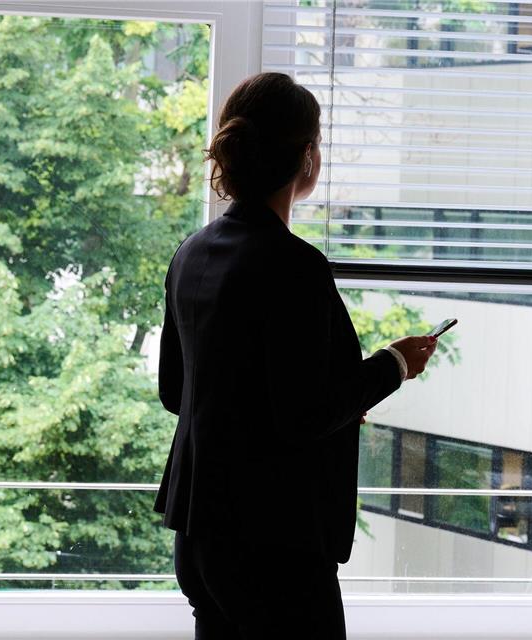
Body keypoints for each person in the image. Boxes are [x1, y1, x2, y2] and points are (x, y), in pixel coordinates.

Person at [153, 72, 437, 639]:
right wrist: (395, 364)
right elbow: (306, 413)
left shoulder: (192, 251)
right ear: (307, 156)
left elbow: (175, 391)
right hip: (273, 544)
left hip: (198, 535)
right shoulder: (294, 266)